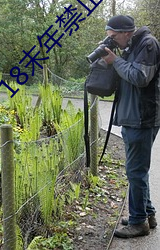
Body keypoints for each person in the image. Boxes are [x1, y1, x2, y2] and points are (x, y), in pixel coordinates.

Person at [102, 15, 160, 238]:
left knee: (135, 171)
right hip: (132, 117)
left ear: (126, 32)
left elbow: (139, 77)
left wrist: (115, 60)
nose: (113, 41)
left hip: (142, 118)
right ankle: (147, 214)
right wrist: (111, 60)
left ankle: (138, 223)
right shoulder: (131, 46)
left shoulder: (148, 44)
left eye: (114, 37)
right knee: (137, 171)